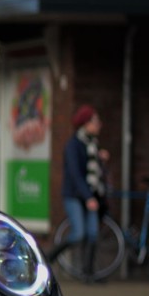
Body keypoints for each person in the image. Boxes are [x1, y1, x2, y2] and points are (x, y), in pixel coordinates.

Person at [48, 104, 108, 281]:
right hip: (75, 195)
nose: (99, 124)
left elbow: (95, 173)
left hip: (91, 195)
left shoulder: (93, 145)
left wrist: (101, 159)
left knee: (93, 233)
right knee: (78, 233)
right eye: (95, 121)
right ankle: (48, 258)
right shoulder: (73, 145)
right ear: (85, 123)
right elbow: (75, 173)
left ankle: (88, 273)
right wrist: (88, 196)